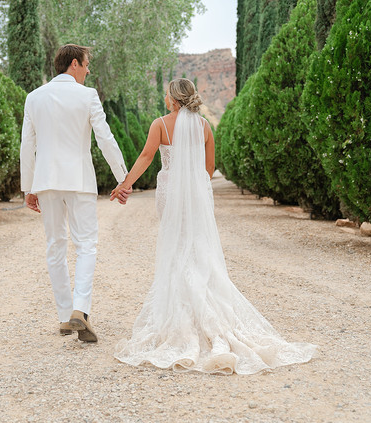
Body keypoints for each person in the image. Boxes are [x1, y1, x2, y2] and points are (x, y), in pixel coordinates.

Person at [110, 78, 317, 374]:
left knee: (175, 247)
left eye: (167, 94)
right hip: (196, 193)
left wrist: (124, 185)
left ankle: (179, 317)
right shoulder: (205, 127)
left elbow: (145, 157)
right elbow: (209, 168)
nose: (165, 97)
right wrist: (194, 188)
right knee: (196, 249)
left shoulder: (161, 124)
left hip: (170, 192)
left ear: (173, 99)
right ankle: (208, 313)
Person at [21, 44, 130, 343]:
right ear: (74, 64)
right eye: (86, 64)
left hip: (45, 181)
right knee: (86, 245)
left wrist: (27, 187)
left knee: (55, 246)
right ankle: (80, 311)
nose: (88, 70)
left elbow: (26, 145)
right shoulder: (87, 96)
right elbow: (105, 138)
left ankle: (63, 316)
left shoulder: (34, 97)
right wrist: (124, 178)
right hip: (79, 180)